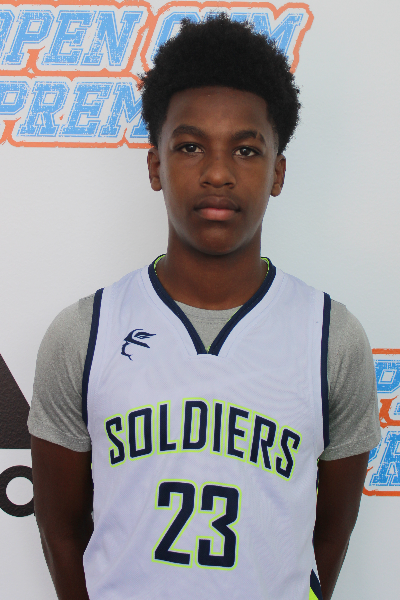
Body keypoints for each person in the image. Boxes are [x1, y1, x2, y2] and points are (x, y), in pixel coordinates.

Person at [29, 14, 380, 600]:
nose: (217, 173)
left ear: (278, 173)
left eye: (246, 150)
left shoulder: (331, 338)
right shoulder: (84, 333)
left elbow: (330, 536)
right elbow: (61, 533)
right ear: (156, 166)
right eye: (190, 146)